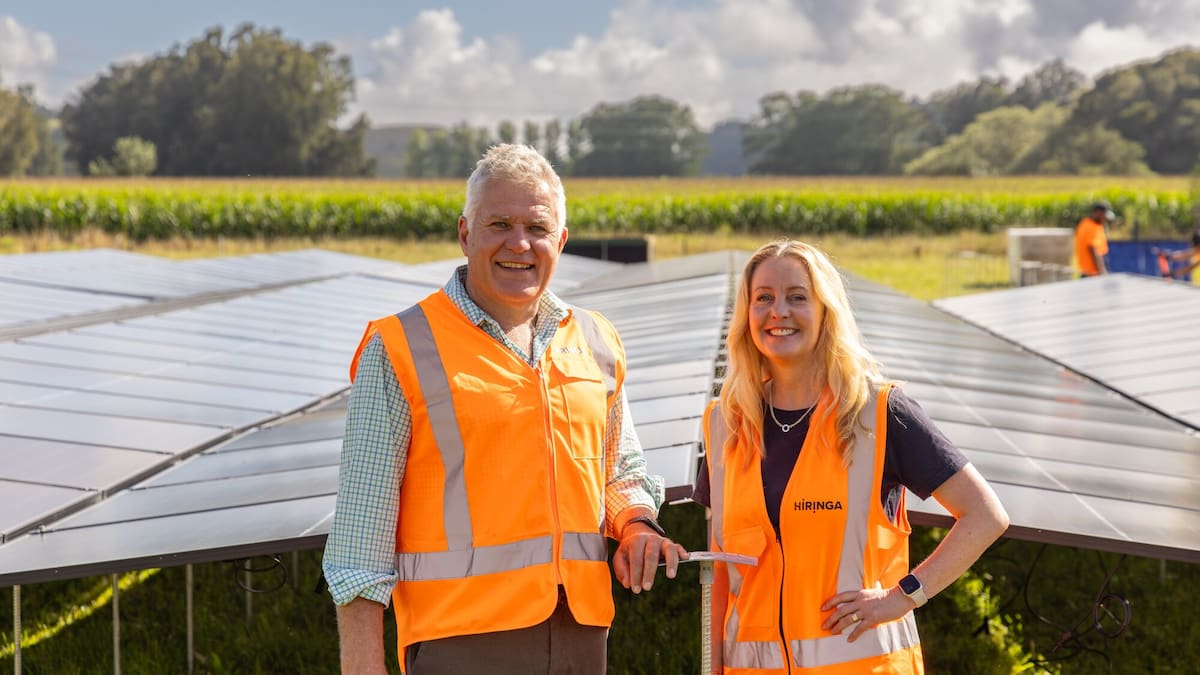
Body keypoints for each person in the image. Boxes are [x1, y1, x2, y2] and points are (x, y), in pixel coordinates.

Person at [322, 143, 685, 675]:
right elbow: (360, 537)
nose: (520, 244)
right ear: (465, 233)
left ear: (560, 241)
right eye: (499, 224)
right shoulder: (401, 346)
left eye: (537, 228)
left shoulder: (595, 340)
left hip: (581, 640)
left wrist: (636, 524)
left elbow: (620, 471)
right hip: (460, 644)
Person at [692, 240, 1009, 673]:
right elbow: (721, 574)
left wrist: (903, 596)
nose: (778, 311)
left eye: (797, 297)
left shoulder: (879, 413)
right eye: (763, 298)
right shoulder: (725, 425)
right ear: (747, 315)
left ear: (826, 311)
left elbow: (985, 515)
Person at [1074, 201, 1114, 277]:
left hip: (1090, 273)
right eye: (1104, 215)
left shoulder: (1088, 224)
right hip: (1093, 275)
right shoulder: (1090, 227)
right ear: (1098, 213)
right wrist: (1103, 272)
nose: (1106, 219)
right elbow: (1094, 250)